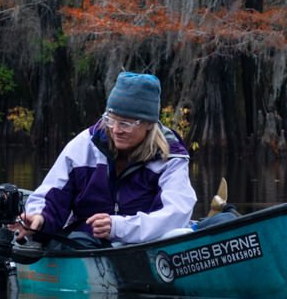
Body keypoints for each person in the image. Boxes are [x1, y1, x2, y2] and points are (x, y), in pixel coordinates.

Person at [18, 71, 196, 245]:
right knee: (71, 239)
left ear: (149, 124)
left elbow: (176, 214)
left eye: (125, 124)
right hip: (85, 244)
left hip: (147, 247)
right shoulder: (84, 146)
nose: (116, 130)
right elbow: (52, 193)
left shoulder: (171, 157)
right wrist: (39, 217)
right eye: (110, 120)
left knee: (181, 233)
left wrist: (118, 227)